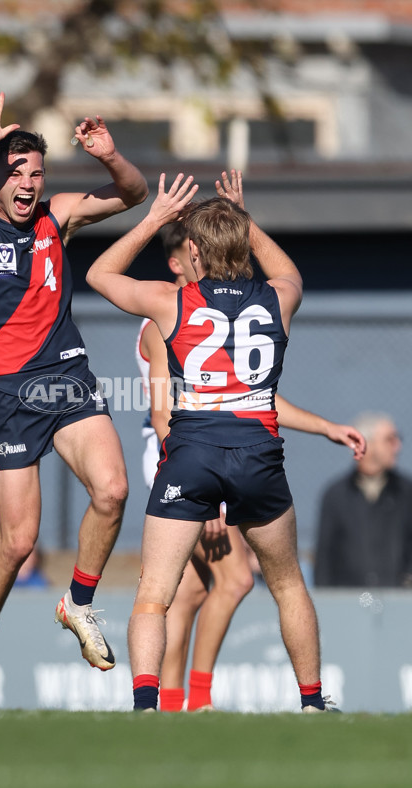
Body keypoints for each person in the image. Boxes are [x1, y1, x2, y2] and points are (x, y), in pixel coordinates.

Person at [0, 87, 148, 710]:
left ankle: (77, 603)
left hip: (68, 380)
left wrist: (109, 155)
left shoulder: (59, 216)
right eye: (16, 171)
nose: (28, 183)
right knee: (17, 543)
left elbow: (134, 194)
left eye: (37, 173)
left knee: (113, 490)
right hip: (8, 397)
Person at [87, 167, 337, 712]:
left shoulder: (171, 302)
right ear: (245, 243)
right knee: (288, 583)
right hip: (259, 453)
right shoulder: (279, 298)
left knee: (155, 594)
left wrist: (153, 217)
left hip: (192, 453)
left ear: (194, 252)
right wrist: (244, 218)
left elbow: (100, 274)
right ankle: (314, 704)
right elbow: (289, 271)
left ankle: (147, 708)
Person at [136, 221, 366, 711]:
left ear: (197, 253)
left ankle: (171, 703)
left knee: (191, 589)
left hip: (200, 453)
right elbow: (161, 412)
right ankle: (193, 700)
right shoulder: (168, 310)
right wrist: (208, 499)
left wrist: (325, 426)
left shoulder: (213, 308)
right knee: (232, 580)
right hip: (180, 453)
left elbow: (252, 397)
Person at [315, 412, 412, 588]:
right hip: (349, 606)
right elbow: (324, 558)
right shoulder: (336, 495)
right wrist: (325, 604)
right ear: (367, 443)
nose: (397, 446)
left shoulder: (407, 493)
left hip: (400, 605)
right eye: (389, 439)